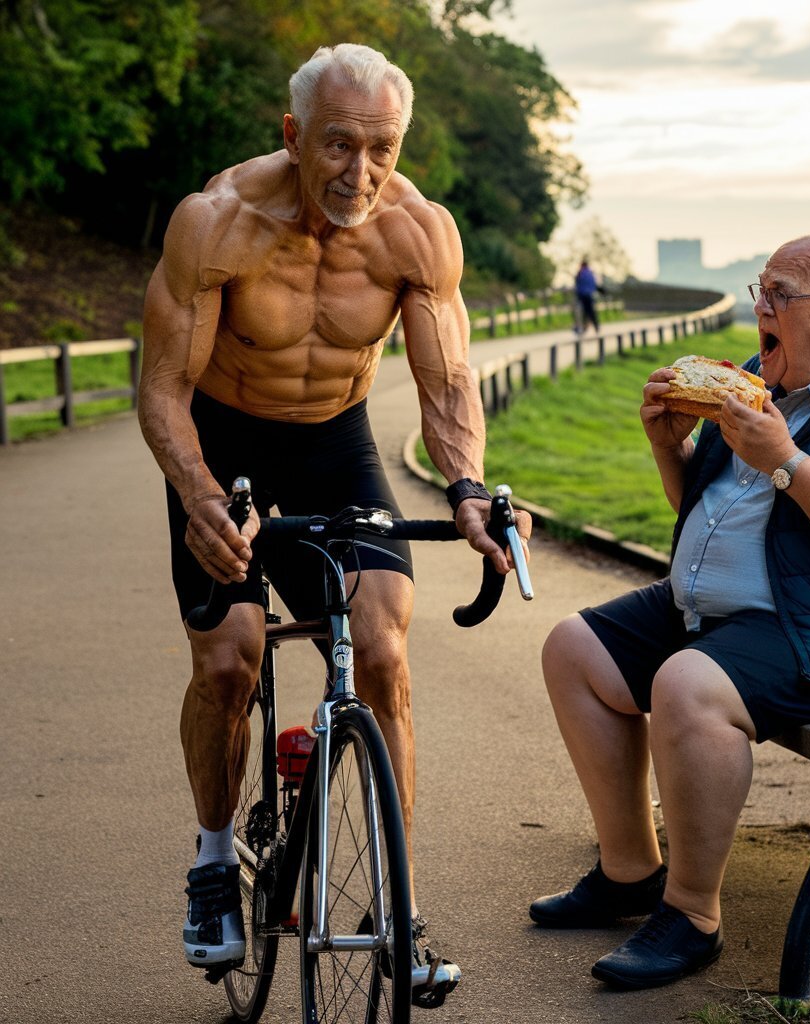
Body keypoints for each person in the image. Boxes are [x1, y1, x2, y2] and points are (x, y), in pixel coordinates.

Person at [138, 42, 530, 993]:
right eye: (339, 146)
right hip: (221, 442)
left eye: (383, 150)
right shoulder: (217, 221)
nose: (362, 173)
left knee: (384, 649)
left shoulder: (419, 234)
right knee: (230, 660)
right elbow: (161, 388)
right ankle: (211, 860)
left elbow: (446, 383)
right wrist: (197, 497)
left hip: (333, 440)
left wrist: (469, 489)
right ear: (293, 136)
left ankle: (395, 906)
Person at [529, 233, 810, 990]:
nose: (760, 310)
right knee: (573, 648)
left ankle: (692, 915)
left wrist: (788, 461)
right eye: (758, 291)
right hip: (746, 611)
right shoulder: (749, 380)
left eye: (780, 296)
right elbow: (704, 509)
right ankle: (631, 868)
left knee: (686, 685)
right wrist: (668, 446)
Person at [573, 259, 603, 335]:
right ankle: (595, 326)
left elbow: (577, 284)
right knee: (591, 312)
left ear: (582, 265)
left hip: (582, 296)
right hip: (590, 295)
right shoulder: (591, 273)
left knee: (584, 312)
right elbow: (594, 284)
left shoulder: (580, 273)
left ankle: (583, 328)